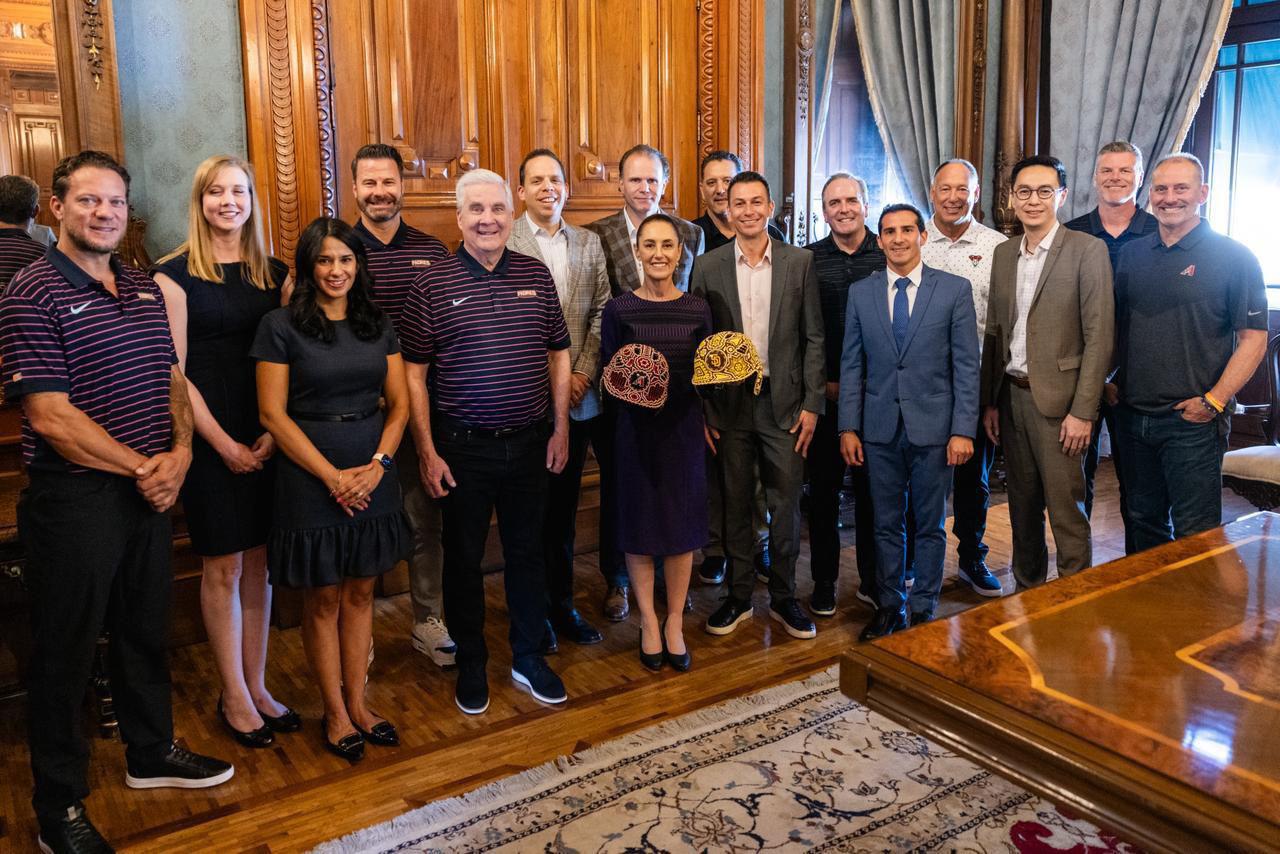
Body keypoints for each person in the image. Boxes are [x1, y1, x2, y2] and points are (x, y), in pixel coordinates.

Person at [2, 151, 232, 854]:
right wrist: (145, 468)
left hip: (150, 489)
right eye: (87, 201)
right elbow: (49, 417)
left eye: (114, 203)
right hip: (77, 502)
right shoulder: (28, 293)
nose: (103, 213)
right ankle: (59, 808)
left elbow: (171, 379)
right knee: (64, 654)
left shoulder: (141, 287)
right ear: (56, 207)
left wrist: (184, 454)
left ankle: (150, 750)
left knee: (143, 630)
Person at [400, 169, 572, 716]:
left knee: (527, 554)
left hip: (528, 444)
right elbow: (413, 374)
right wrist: (426, 450)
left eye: (497, 209)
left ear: (509, 213)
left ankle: (527, 656)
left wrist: (561, 426)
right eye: (476, 210)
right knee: (463, 560)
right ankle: (471, 663)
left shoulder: (535, 274)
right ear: (459, 218)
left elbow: (559, 353)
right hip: (460, 449)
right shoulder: (432, 284)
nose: (488, 219)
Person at [253, 217, 412, 763]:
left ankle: (360, 703)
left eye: (346, 259)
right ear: (309, 265)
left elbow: (400, 405)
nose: (336, 270)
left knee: (363, 591)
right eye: (325, 260)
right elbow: (271, 414)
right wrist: (332, 477)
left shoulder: (378, 322)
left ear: (358, 265)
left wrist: (378, 465)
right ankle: (335, 711)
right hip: (309, 475)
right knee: (323, 597)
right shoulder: (280, 325)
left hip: (372, 470)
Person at [153, 155, 295, 749]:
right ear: (200, 200)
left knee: (259, 565)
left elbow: (291, 357)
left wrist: (271, 433)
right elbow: (176, 375)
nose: (228, 201)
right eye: (216, 192)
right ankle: (232, 694)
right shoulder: (172, 275)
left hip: (268, 431)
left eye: (238, 191)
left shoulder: (276, 272)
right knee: (224, 565)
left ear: (252, 200)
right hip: (209, 437)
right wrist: (222, 444)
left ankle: (257, 685)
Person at [1111, 153, 1267, 550]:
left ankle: (1196, 614)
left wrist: (1213, 401)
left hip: (1193, 423)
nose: (1169, 198)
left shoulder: (1235, 257)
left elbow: (1253, 340)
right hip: (1132, 418)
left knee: (1195, 534)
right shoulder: (1131, 255)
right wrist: (1108, 381)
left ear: (1203, 192)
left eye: (1181, 188)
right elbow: (1115, 326)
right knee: (1142, 524)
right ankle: (1150, 611)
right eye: (1161, 189)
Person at [692, 171, 824, 640]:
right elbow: (701, 346)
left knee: (786, 504)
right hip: (729, 407)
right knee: (735, 502)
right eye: (738, 203)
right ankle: (739, 596)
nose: (747, 210)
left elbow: (814, 337)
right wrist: (707, 410)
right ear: (727, 209)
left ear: (771, 208)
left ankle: (786, 598)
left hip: (784, 405)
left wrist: (812, 404)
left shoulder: (799, 262)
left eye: (756, 202)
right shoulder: (706, 267)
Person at [840, 204, 979, 639]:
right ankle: (888, 606)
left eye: (906, 230)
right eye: (888, 232)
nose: (897, 239)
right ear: (878, 240)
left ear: (922, 235)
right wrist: (848, 426)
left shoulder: (954, 290)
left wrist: (962, 430)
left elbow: (966, 367)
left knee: (931, 523)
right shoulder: (861, 293)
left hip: (935, 430)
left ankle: (923, 608)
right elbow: (851, 366)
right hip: (878, 428)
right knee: (883, 522)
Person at [980, 155, 1113, 590]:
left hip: (1062, 407)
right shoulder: (1003, 253)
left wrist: (1084, 411)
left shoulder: (1087, 250)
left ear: (1062, 196)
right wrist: (991, 403)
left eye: (1043, 191)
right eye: (1024, 191)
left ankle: (1074, 599)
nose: (1033, 200)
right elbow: (997, 333)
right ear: (1011, 198)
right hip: (1012, 399)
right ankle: (1027, 593)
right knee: (1021, 507)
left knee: (1066, 510)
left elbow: (1099, 338)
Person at [348, 143, 456, 669]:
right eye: (369, 183)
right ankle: (357, 635)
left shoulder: (434, 253)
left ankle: (428, 619)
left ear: (402, 185)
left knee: (424, 519)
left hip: (419, 411)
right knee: (356, 523)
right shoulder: (338, 249)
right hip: (354, 414)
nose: (379, 191)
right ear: (355, 190)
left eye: (387, 181)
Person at [586, 144, 704, 620]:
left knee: (676, 496)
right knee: (624, 491)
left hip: (681, 391)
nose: (644, 188)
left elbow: (698, 305)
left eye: (652, 180)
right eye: (635, 179)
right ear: (620, 183)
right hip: (625, 389)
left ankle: (670, 589)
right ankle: (619, 582)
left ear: (664, 184)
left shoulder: (691, 234)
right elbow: (600, 309)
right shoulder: (596, 235)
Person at [508, 148, 610, 649]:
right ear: (521, 190)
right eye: (537, 180)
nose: (548, 187)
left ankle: (562, 605)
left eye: (556, 179)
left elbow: (602, 313)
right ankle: (532, 613)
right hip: (526, 402)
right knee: (529, 515)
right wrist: (549, 382)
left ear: (566, 188)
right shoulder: (503, 240)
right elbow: (500, 327)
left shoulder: (590, 243)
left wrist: (583, 372)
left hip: (580, 400)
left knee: (565, 514)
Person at [601, 214, 713, 671]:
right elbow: (610, 376)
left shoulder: (698, 309)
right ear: (637, 252)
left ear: (680, 252)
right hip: (635, 434)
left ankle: (673, 623)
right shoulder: (619, 309)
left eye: (667, 244)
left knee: (681, 531)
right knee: (640, 530)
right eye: (649, 245)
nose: (659, 253)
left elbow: (709, 373)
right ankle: (648, 621)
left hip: (684, 432)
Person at [1065, 140, 1158, 550]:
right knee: (1074, 484)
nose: (1115, 178)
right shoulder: (1071, 234)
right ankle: (1079, 574)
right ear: (1095, 177)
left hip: (1138, 380)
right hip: (1082, 377)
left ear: (1140, 178)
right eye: (1107, 171)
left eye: (1125, 171)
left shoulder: (1160, 233)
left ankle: (1142, 580)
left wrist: (1116, 372)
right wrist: (1095, 375)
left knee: (1141, 493)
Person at [921, 159, 1007, 596]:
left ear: (976, 194)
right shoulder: (913, 242)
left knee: (974, 481)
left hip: (972, 385)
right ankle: (917, 562)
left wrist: (991, 397)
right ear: (931, 192)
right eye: (945, 188)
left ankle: (972, 556)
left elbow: (1003, 327)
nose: (953, 196)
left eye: (963, 189)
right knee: (922, 479)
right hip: (921, 387)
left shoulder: (998, 248)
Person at [803, 172, 886, 615]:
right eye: (833, 202)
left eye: (851, 200)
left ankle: (873, 580)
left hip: (878, 397)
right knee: (822, 495)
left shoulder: (889, 250)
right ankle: (823, 582)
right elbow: (801, 332)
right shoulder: (807, 260)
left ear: (866, 205)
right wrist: (821, 387)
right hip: (827, 395)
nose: (843, 208)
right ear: (823, 211)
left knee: (876, 493)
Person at [690, 150, 772, 590]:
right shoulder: (692, 238)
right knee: (719, 472)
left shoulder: (770, 235)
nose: (722, 190)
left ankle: (758, 543)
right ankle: (718, 548)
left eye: (729, 181)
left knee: (757, 474)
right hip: (719, 382)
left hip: (766, 380)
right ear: (702, 187)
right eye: (713, 182)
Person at [693, 150, 785, 252]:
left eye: (727, 181)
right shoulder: (690, 237)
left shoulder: (773, 235)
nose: (720, 190)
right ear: (702, 190)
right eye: (711, 183)